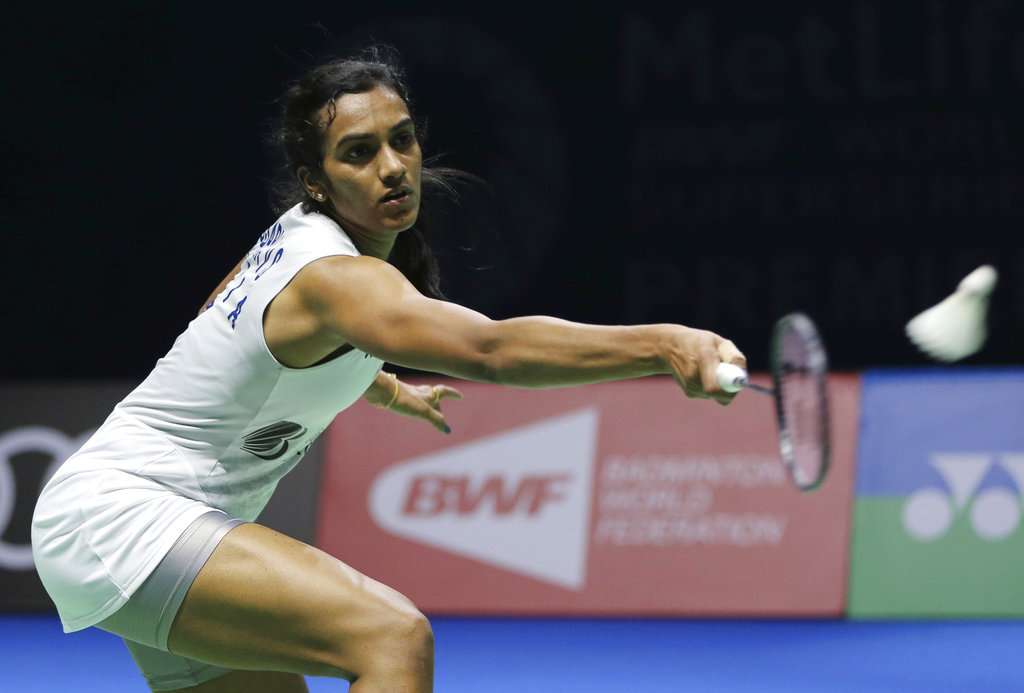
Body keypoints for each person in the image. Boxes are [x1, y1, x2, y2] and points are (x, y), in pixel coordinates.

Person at [31, 47, 746, 693]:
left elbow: (231, 328)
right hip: (126, 514)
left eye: (401, 140)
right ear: (315, 180)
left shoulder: (297, 246)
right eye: (359, 152)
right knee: (391, 636)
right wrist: (664, 344)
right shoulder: (337, 279)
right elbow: (490, 350)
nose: (394, 166)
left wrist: (380, 385)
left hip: (130, 517)